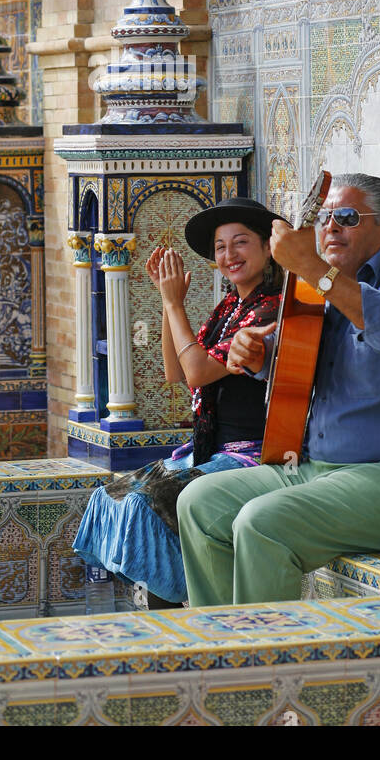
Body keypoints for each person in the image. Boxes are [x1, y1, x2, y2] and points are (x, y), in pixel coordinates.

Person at [176, 174, 380, 607]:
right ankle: (225, 650)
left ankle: (269, 664)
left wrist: (315, 270)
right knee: (199, 503)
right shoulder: (326, 285)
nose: (331, 227)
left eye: (348, 217)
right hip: (322, 468)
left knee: (262, 522)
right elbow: (296, 357)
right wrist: (260, 355)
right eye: (326, 218)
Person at [72, 198, 286, 607]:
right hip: (210, 448)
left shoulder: (269, 307)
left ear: (266, 248)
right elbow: (175, 371)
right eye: (221, 247)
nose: (229, 255)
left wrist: (172, 304)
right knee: (112, 495)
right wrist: (173, 303)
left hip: (251, 454)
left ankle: (178, 616)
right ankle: (166, 613)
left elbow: (198, 372)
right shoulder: (229, 308)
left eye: (240, 243)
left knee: (143, 505)